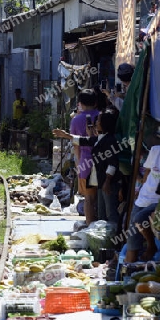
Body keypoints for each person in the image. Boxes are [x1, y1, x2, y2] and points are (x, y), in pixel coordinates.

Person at [53, 108, 122, 226]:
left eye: (99, 121)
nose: (96, 123)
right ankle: (102, 236)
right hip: (101, 182)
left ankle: (113, 239)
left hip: (107, 183)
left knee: (110, 213)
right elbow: (83, 140)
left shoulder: (110, 141)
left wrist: (107, 181)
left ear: (105, 124)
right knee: (102, 213)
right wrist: (66, 135)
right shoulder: (101, 139)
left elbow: (112, 163)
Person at [124, 145, 160, 262]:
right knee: (132, 242)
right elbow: (147, 172)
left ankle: (151, 246)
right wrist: (140, 190)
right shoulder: (155, 150)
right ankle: (128, 274)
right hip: (143, 198)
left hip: (156, 201)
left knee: (139, 219)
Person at [69, 89, 100, 225]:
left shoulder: (76, 120)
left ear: (80, 103)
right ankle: (102, 224)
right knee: (102, 196)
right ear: (96, 102)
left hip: (85, 160)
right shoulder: (101, 116)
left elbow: (76, 145)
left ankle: (89, 225)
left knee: (88, 197)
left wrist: (78, 162)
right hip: (104, 160)